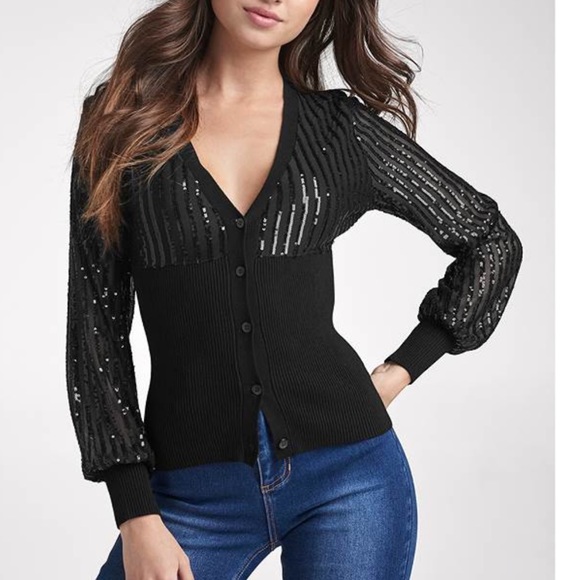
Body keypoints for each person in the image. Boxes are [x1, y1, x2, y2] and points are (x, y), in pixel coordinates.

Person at [65, 1, 523, 578]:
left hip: (351, 480)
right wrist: (135, 513)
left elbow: (491, 241)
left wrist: (400, 369)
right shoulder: (122, 123)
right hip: (189, 496)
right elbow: (95, 329)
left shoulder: (337, 132)